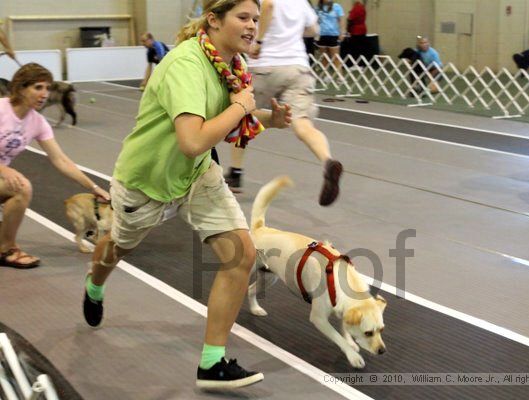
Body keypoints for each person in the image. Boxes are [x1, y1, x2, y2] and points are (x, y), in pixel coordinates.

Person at [82, 0, 291, 389]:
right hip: (147, 183)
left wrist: (267, 119)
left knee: (242, 253)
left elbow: (219, 117)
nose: (252, 27)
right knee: (119, 247)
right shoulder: (185, 64)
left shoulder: (231, 66)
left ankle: (212, 364)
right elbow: (193, 140)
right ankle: (95, 284)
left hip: (196, 177)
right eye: (242, 18)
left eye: (256, 20)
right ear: (213, 19)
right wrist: (245, 106)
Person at [227, 0, 343, 206]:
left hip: (266, 65)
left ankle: (235, 172)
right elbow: (313, 28)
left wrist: (260, 41)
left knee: (241, 115)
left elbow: (269, 5)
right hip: (297, 67)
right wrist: (292, 28)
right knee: (303, 124)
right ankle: (327, 160)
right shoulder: (300, 2)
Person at [0, 63, 110, 268]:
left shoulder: (38, 122)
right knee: (20, 183)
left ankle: (5, 248)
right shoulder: (1, 109)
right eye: (38, 87)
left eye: (48, 88)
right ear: (21, 88)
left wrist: (93, 188)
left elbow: (61, 160)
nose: (45, 94)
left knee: (20, 188)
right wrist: (4, 169)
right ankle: (7, 247)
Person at [315, 0, 345, 76]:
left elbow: (341, 20)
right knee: (324, 58)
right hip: (322, 35)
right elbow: (316, 21)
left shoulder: (337, 7)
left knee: (335, 57)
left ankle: (340, 76)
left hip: (333, 35)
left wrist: (341, 32)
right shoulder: (318, 8)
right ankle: (325, 76)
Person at [346, 0, 367, 67]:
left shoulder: (355, 8)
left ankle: (355, 64)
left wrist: (348, 29)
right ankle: (361, 64)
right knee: (361, 49)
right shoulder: (363, 8)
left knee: (354, 49)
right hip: (363, 30)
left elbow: (350, 19)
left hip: (356, 31)